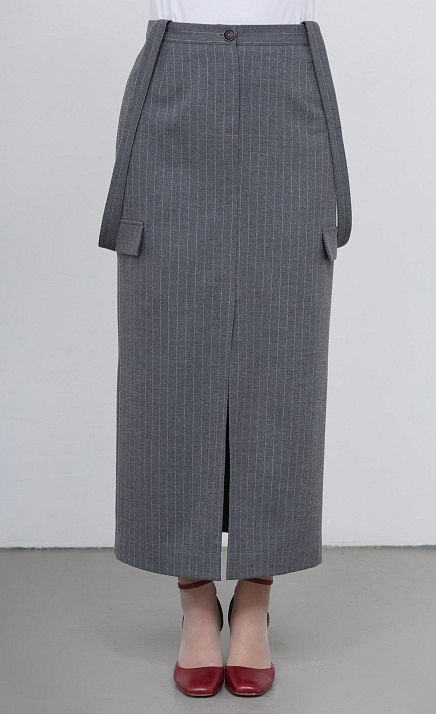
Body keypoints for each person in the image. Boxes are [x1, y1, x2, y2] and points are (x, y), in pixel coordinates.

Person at [98, 0, 352, 698]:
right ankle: (195, 603)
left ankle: (254, 603)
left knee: (285, 348)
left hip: (289, 79)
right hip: (176, 75)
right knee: (166, 351)